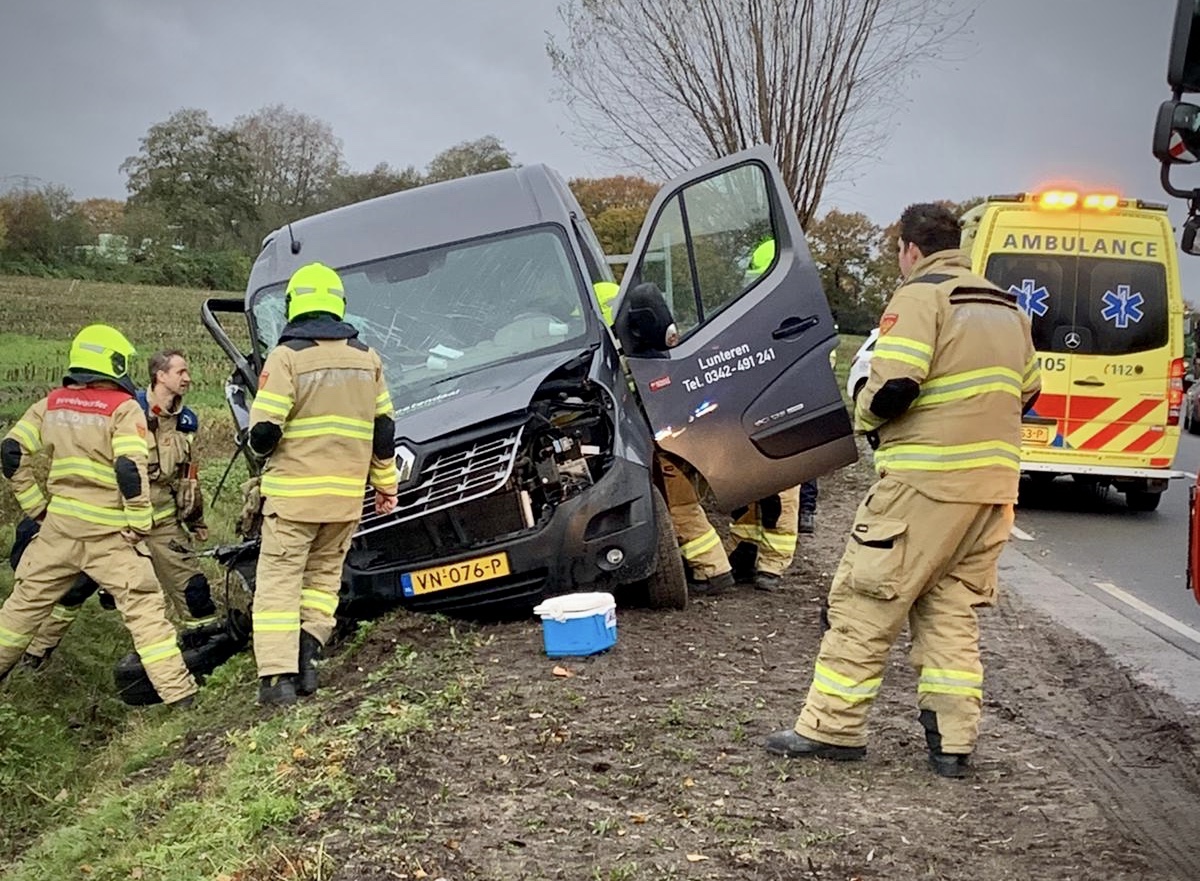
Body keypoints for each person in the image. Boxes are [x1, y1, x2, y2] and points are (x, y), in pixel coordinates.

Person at [765, 203, 1040, 777]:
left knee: (866, 600)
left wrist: (864, 417)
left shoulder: (922, 295)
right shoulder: (1003, 305)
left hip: (925, 484)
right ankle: (953, 748)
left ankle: (832, 728)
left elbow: (895, 386)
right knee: (950, 612)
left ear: (909, 249)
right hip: (992, 492)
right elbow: (1028, 393)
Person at [0, 324, 198, 706]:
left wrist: (36, 507)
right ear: (115, 362)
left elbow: (10, 452)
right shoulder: (122, 408)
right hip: (109, 535)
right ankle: (181, 698)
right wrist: (140, 522)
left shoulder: (51, 403)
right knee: (144, 612)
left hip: (58, 531)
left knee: (20, 611)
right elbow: (128, 468)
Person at [248, 262, 399, 705]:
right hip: (345, 501)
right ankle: (308, 661)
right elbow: (384, 429)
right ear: (339, 306)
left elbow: (264, 434)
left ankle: (277, 681)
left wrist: (259, 444)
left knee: (279, 583)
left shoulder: (287, 357)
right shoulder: (367, 359)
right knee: (321, 581)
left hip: (294, 501)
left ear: (294, 306)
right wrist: (385, 486)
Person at [21, 350, 217, 667]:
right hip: (115, 522)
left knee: (195, 592)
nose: (187, 378)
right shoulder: (127, 411)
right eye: (180, 372)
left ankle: (207, 655)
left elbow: (186, 478)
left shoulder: (185, 421)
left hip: (163, 523)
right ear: (160, 375)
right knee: (75, 588)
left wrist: (195, 520)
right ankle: (36, 653)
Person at [612, 281, 800, 593]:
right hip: (717, 431)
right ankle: (746, 553)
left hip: (686, 439)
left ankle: (715, 570)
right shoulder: (693, 348)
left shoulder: (642, 361)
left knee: (683, 505)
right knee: (760, 490)